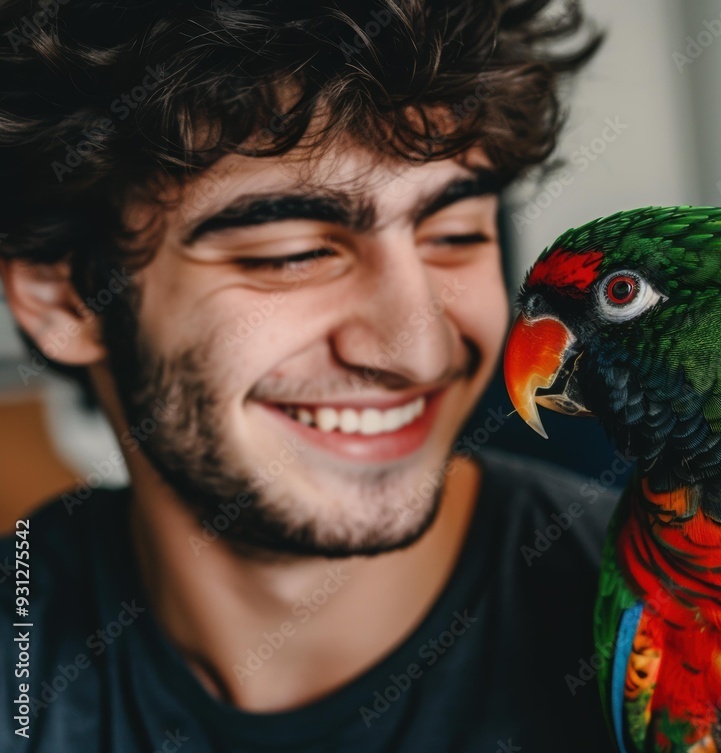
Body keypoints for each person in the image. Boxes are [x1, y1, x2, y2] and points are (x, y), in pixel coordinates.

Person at [0, 1, 621, 751]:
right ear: (63, 296)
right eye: (291, 253)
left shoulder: (682, 633)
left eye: (456, 235)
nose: (419, 352)